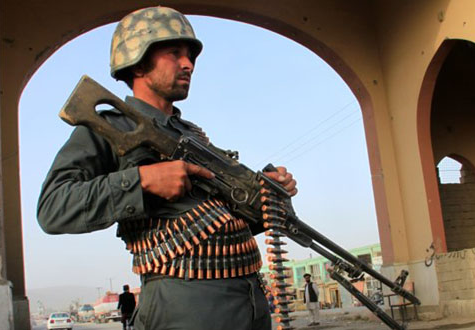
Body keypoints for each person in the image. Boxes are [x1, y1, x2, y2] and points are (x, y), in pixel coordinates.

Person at [37, 6, 298, 330]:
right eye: (174, 53)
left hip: (250, 304)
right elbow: (52, 208)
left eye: (190, 56)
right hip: (184, 308)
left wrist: (268, 194)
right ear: (138, 58)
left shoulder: (193, 134)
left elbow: (225, 224)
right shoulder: (106, 126)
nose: (188, 63)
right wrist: (142, 181)